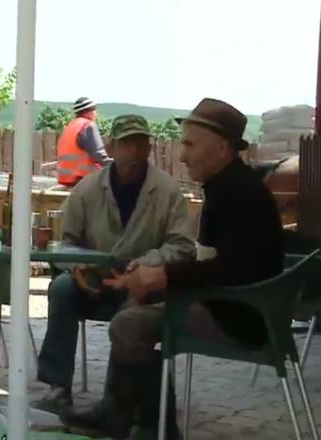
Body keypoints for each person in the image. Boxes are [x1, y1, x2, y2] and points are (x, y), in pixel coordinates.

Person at [59, 98, 285, 439]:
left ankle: (148, 425)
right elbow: (217, 263)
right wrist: (155, 280)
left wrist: (163, 276)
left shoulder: (240, 194)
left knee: (130, 324)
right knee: (135, 307)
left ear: (221, 149)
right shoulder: (228, 186)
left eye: (190, 145)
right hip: (232, 302)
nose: (182, 156)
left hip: (242, 315)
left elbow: (234, 269)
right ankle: (137, 418)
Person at [35, 114, 196, 414]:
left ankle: (115, 402)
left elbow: (182, 245)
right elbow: (63, 241)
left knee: (133, 313)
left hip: (141, 284)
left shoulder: (168, 191)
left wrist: (144, 266)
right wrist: (75, 267)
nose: (134, 152)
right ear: (111, 146)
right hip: (94, 280)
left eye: (141, 144)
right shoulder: (86, 189)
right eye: (127, 143)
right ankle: (57, 386)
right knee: (61, 288)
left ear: (150, 148)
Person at [56, 97, 111, 187]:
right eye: (94, 109)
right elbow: (99, 156)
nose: (96, 113)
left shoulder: (70, 127)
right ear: (89, 111)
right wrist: (116, 164)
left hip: (65, 179)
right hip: (83, 180)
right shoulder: (88, 126)